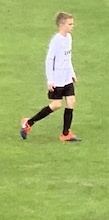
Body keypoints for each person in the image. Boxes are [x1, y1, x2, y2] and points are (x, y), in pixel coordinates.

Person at [20, 12, 81, 142]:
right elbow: (49, 60)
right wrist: (50, 80)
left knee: (71, 101)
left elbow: (67, 58)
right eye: (70, 24)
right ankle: (29, 122)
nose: (72, 26)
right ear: (62, 25)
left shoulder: (69, 38)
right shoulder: (56, 41)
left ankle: (65, 134)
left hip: (67, 78)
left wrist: (72, 73)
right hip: (58, 79)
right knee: (56, 104)